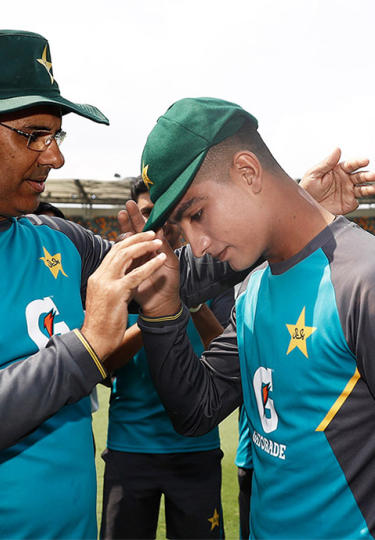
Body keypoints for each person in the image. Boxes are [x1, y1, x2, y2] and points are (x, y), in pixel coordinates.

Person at [0, 30, 371, 538]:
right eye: (34, 134)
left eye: (58, 136)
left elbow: (169, 275)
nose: (55, 158)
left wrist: (289, 207)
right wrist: (83, 351)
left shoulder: (58, 238)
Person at [134, 97, 375, 538]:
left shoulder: (361, 280)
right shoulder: (252, 287)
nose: (197, 245)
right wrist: (163, 307)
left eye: (197, 214)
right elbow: (197, 411)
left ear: (248, 171)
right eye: (180, 229)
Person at [100, 179, 229, 539]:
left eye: (167, 213)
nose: (158, 223)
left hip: (195, 447)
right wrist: (158, 312)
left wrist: (191, 302)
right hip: (131, 445)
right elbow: (104, 364)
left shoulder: (212, 271)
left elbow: (225, 352)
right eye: (147, 213)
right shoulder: (115, 278)